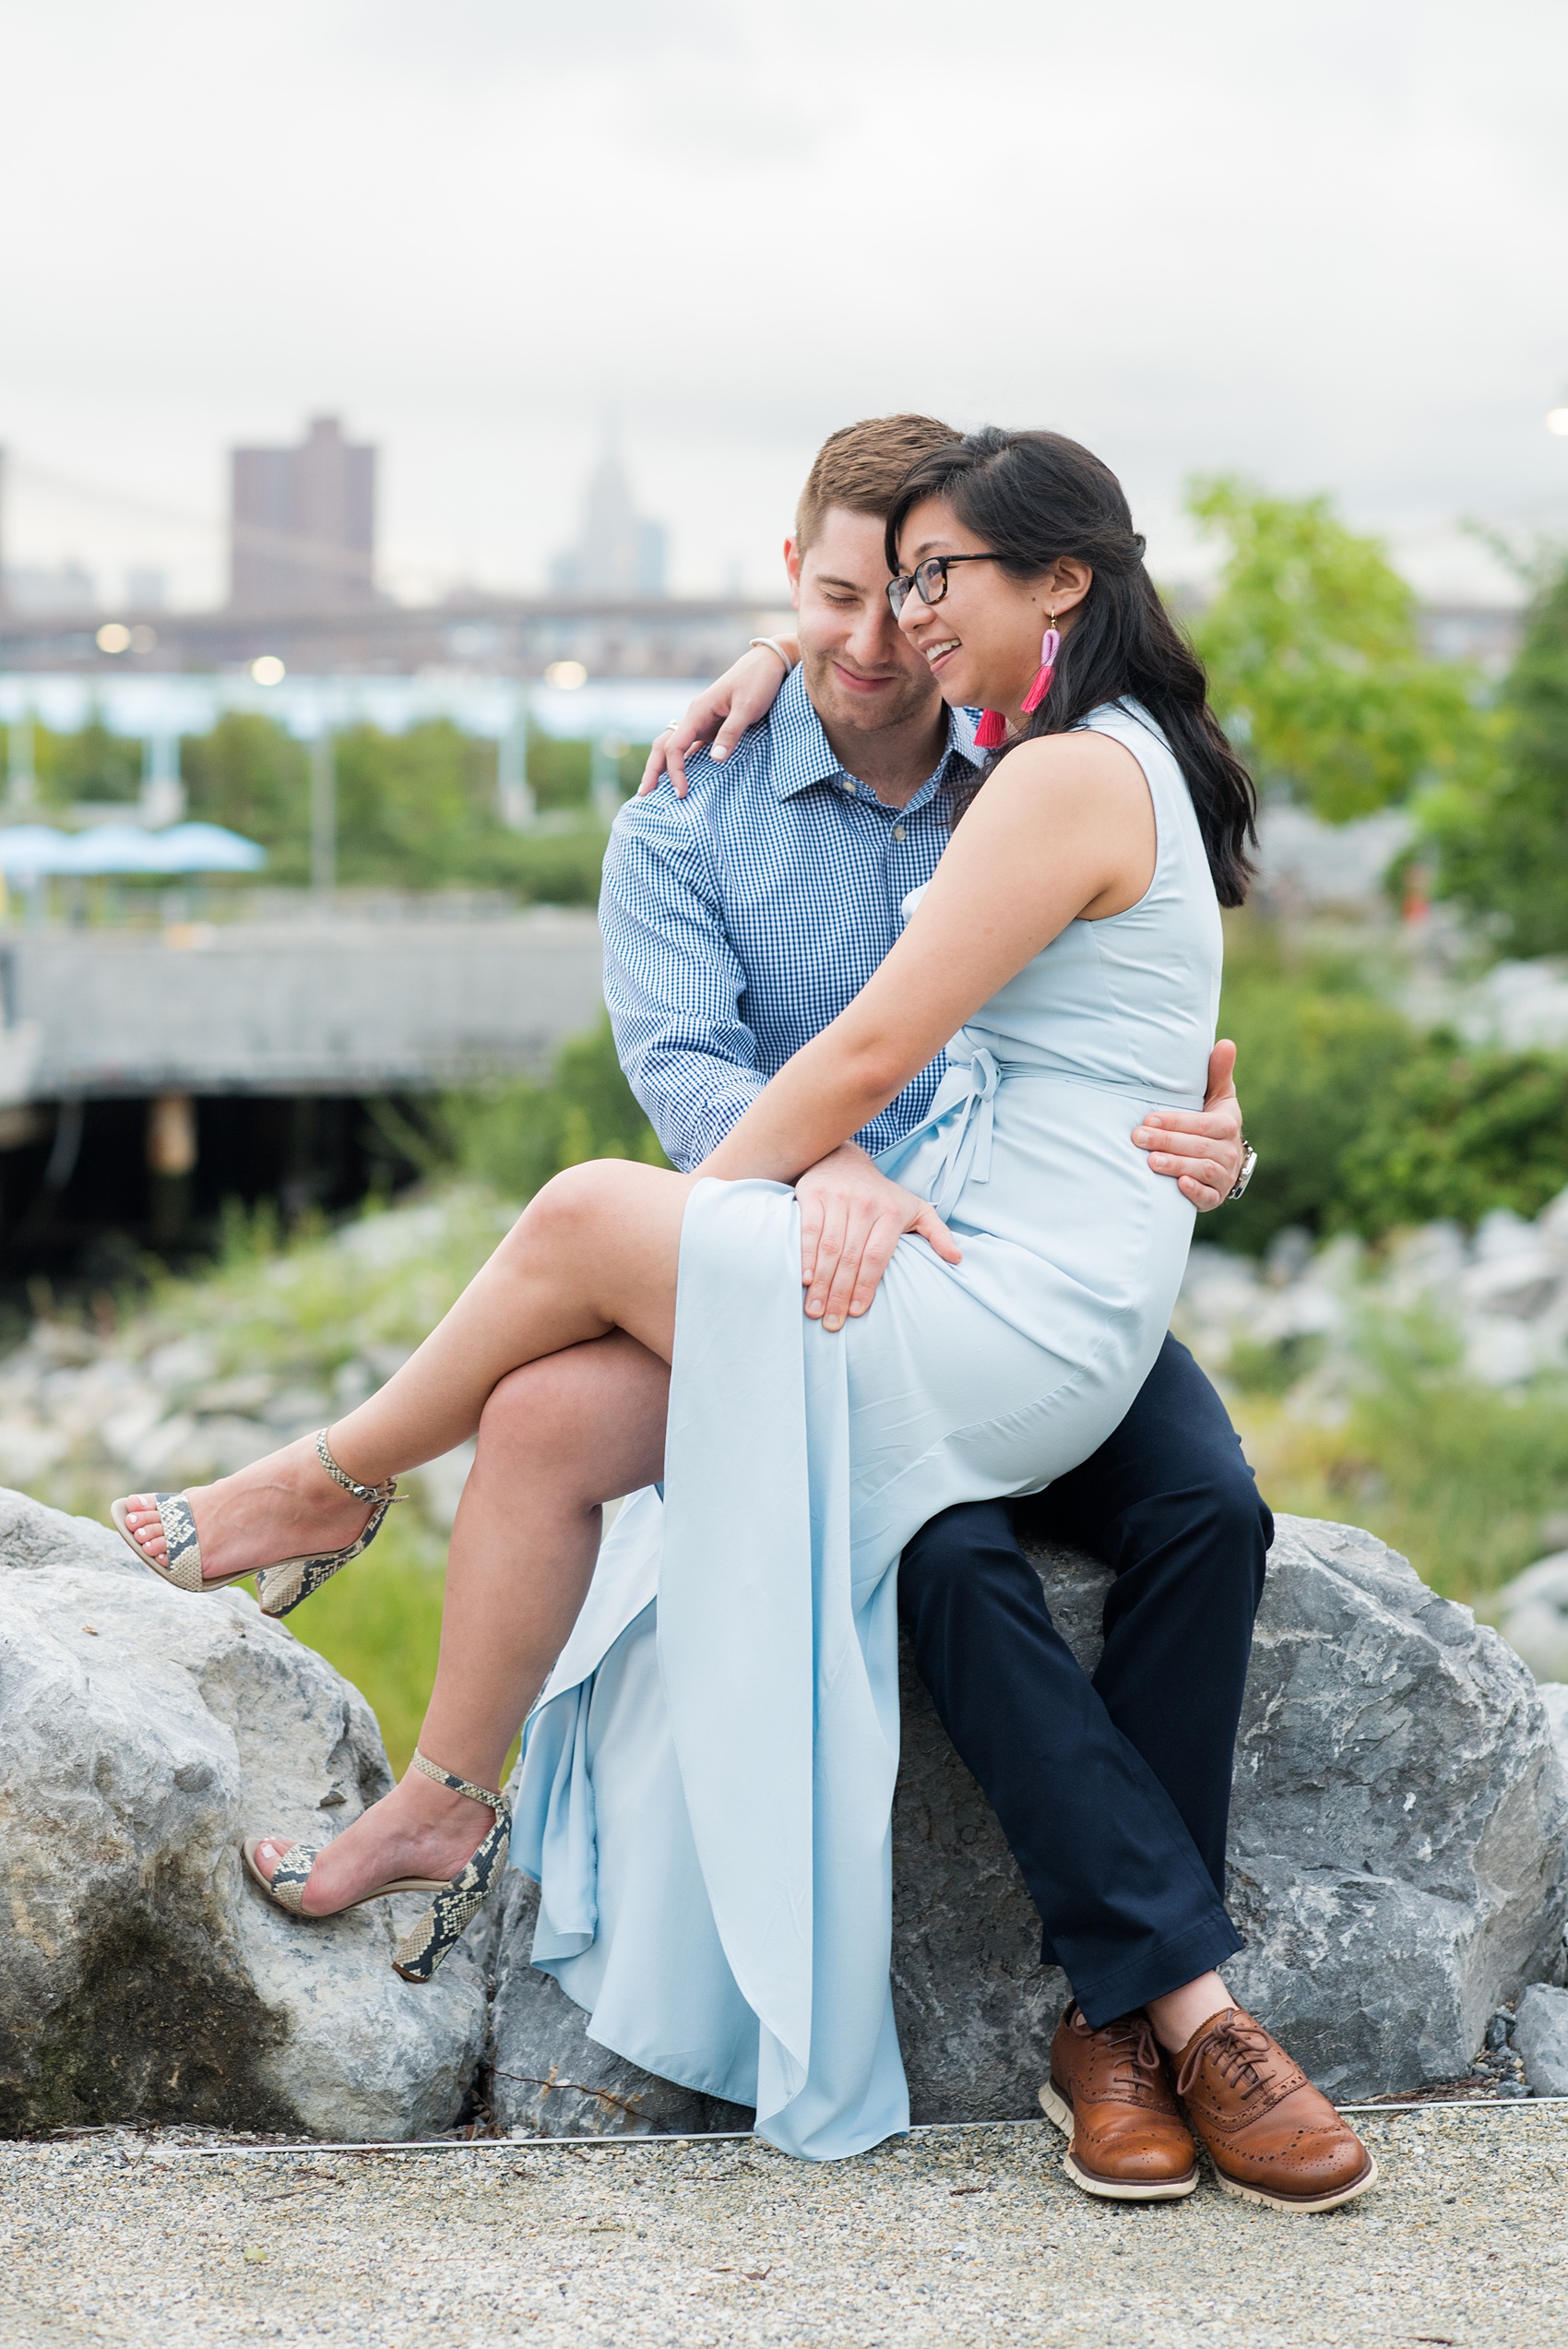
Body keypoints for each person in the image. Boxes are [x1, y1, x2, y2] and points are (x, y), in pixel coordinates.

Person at [113, 423, 1374, 2211]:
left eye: (935, 584)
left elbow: (895, 1045)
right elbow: (722, 1063)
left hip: (999, 1286)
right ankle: (444, 1803)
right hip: (931, 1266)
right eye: (862, 593)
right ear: (797, 585)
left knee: (588, 1223)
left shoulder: (1028, 767)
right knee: (557, 1421)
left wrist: (755, 1217)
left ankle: (337, 1474)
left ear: (1050, 581)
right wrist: (793, 1194)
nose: (902, 628)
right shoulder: (719, 791)